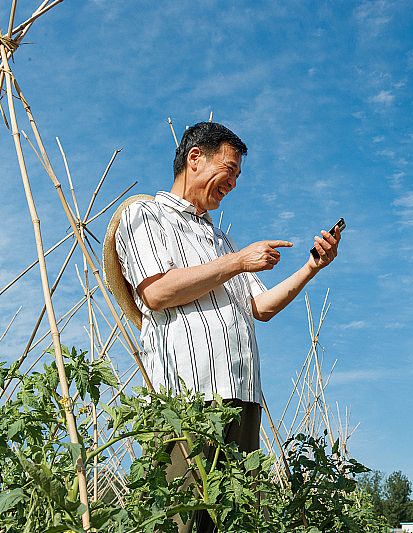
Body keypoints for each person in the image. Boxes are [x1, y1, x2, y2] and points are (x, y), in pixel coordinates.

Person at [115, 121, 342, 532]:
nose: (234, 183)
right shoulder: (144, 214)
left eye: (239, 175)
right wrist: (238, 262)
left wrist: (313, 266)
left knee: (235, 522)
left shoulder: (219, 239)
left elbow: (261, 307)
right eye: (230, 169)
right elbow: (157, 292)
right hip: (188, 402)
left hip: (242, 398)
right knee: (183, 520)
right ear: (195, 158)